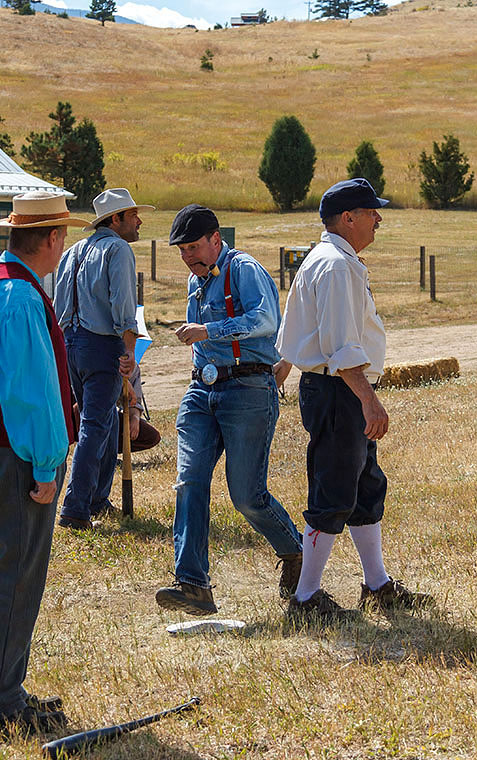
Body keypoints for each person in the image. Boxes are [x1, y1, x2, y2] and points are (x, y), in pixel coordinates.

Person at [0, 191, 86, 739]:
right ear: (52, 238)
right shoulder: (18, 296)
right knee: (16, 576)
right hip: (17, 457)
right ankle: (1, 701)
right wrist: (47, 467)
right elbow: (30, 395)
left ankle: (5, 690)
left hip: (0, 451)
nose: (65, 246)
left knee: (13, 573)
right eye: (64, 237)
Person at [275, 178, 433, 624]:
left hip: (334, 388)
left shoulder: (329, 259)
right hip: (339, 389)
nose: (378, 218)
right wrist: (369, 400)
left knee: (364, 487)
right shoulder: (337, 266)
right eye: (371, 211)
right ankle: (305, 599)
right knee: (334, 492)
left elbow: (301, 330)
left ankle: (377, 585)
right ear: (348, 219)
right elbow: (342, 348)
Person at [154, 204, 303, 617]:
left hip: (249, 388)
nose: (188, 256)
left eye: (194, 246)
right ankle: (193, 584)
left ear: (217, 239)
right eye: (182, 250)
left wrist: (211, 330)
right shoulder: (194, 281)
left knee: (246, 496)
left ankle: (295, 552)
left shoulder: (245, 270)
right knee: (189, 481)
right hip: (202, 391)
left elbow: (266, 319)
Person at [53, 188, 154, 529]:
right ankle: (75, 509)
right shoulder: (118, 249)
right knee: (94, 426)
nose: (139, 221)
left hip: (72, 345)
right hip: (101, 345)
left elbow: (59, 306)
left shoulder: (73, 252)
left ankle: (96, 499)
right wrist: (128, 350)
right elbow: (123, 306)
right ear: (116, 219)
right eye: (132, 215)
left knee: (104, 419)